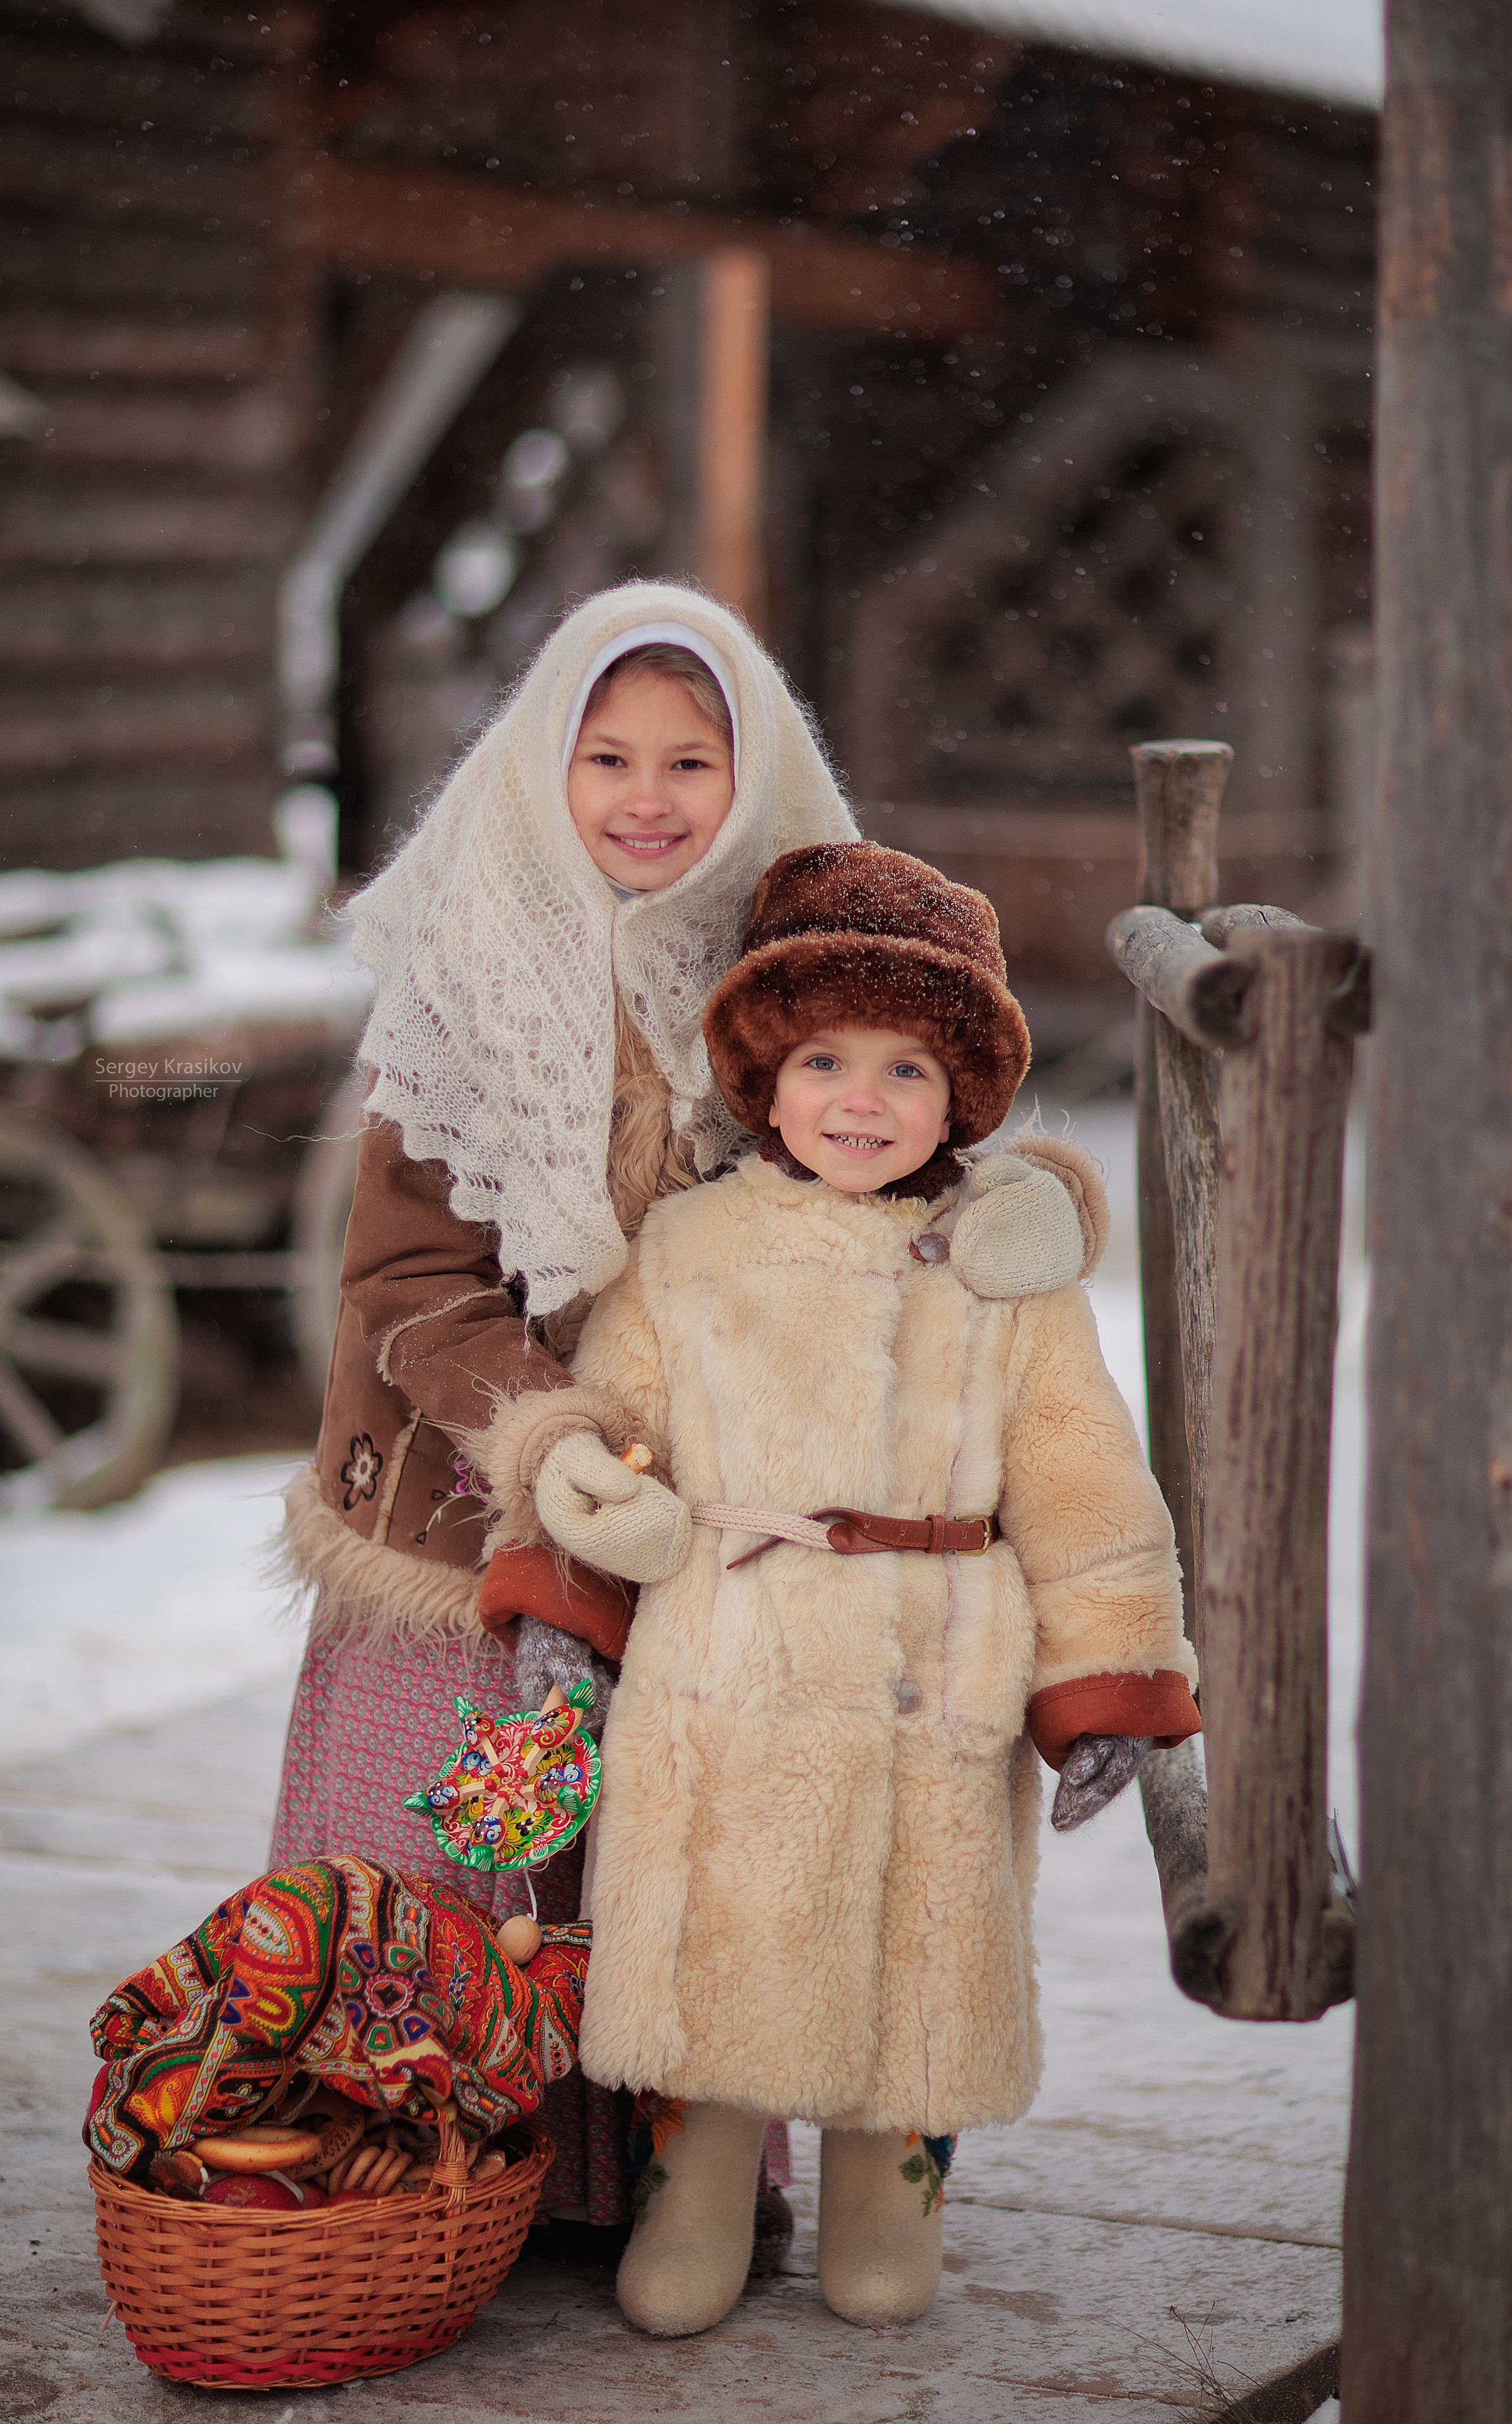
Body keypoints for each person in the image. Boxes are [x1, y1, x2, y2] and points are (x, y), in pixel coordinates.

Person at [269, 585, 1096, 2240]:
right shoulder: (468, 967)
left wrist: (1031, 1201)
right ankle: (393, 2195)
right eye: (608, 756)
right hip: (470, 1496)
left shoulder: (779, 967)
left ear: (755, 772)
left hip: (720, 1508)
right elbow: (409, 1275)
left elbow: (900, 1141)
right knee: (447, 1847)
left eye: (692, 762)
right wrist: (549, 1441)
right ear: (540, 768)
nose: (647, 798)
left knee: (666, 1854)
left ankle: (632, 2190)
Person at [521, 839, 1201, 2337]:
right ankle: (693, 2195)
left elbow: (1083, 1489)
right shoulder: (689, 1248)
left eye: (906, 1072)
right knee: (722, 1934)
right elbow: (604, 1417)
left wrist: (1103, 1686)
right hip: (730, 1649)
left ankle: (887, 2193)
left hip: (930, 1662)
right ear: (762, 1083)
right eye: (823, 1059)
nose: (860, 1101)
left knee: (917, 1954)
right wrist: (584, 1531)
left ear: (958, 1099)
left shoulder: (1004, 1273)